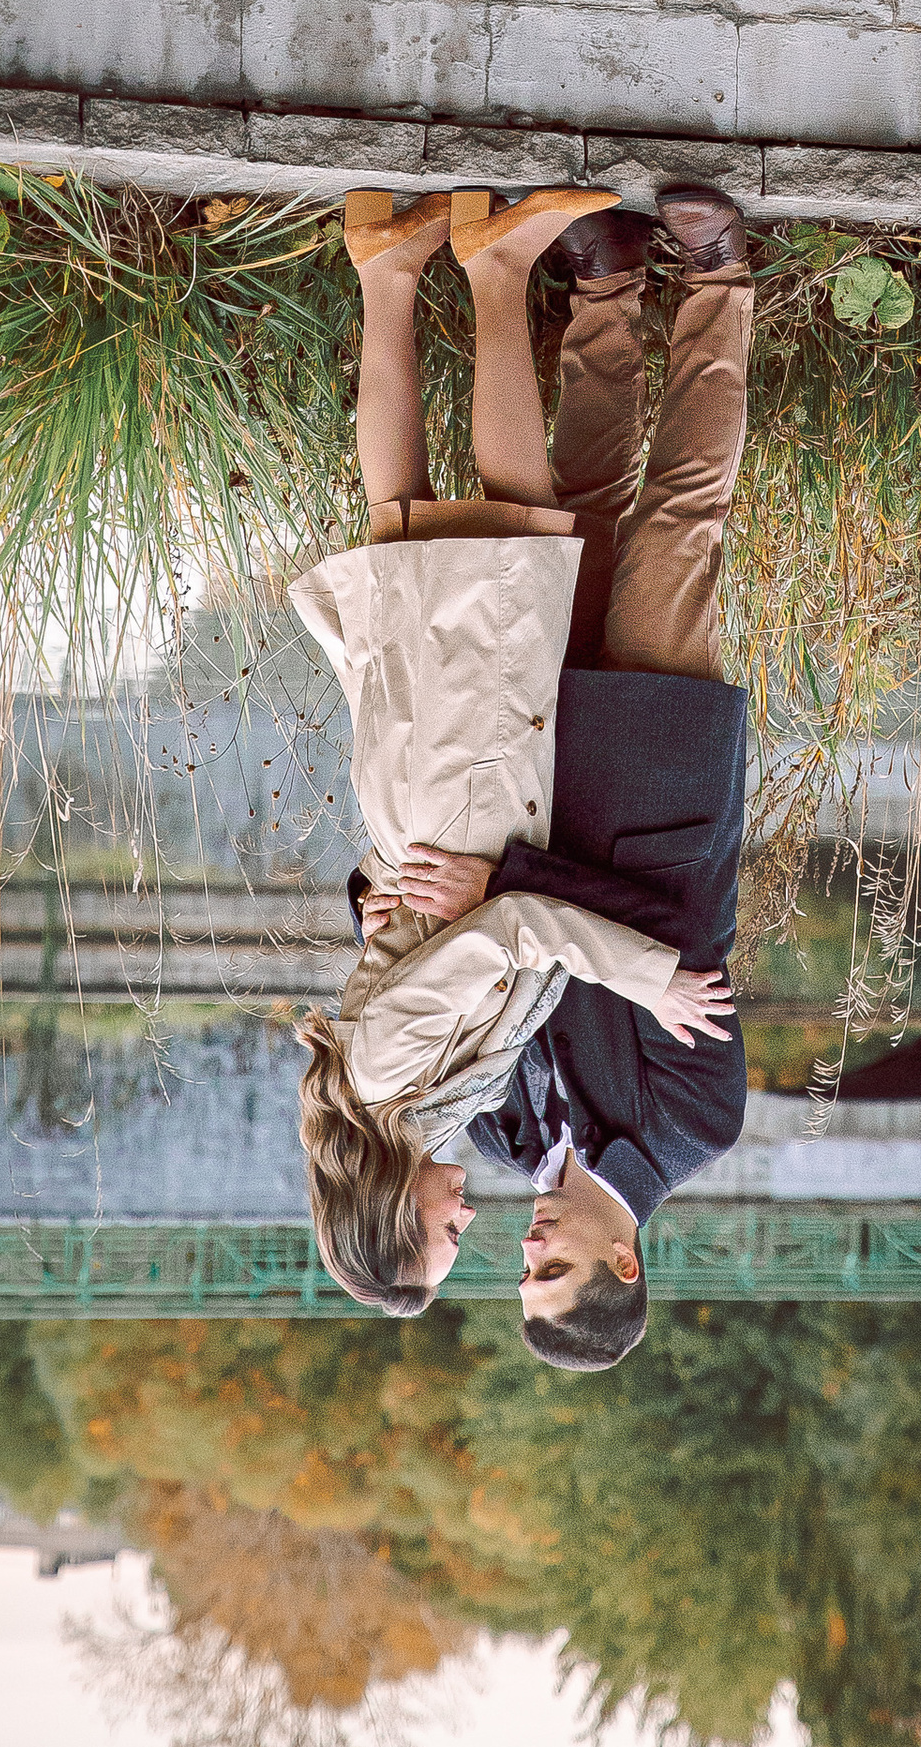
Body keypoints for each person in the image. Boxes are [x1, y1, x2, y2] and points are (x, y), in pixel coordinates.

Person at [288, 182, 737, 1315]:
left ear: (393, 1210)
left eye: (479, 1257)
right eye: (544, 1268)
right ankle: (703, 275)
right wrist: (490, 892)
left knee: (548, 519)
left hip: (509, 785)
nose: (503, 1239)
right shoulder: (690, 1125)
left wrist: (409, 900)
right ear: (620, 1262)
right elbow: (676, 932)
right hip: (643, 788)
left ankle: (585, 281)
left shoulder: (462, 1112)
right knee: (675, 521)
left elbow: (471, 947)